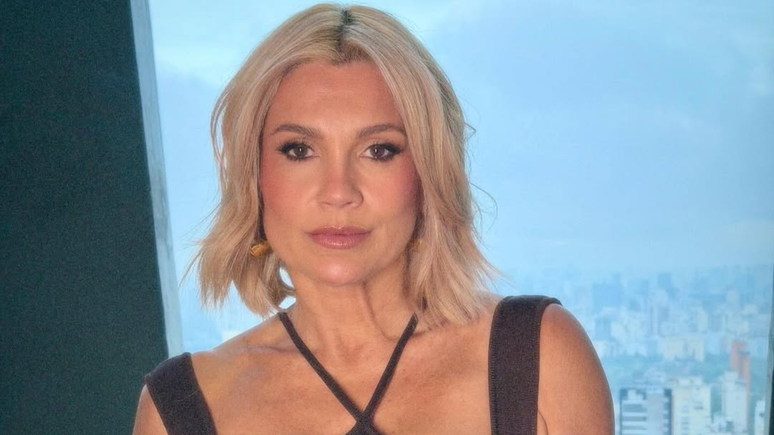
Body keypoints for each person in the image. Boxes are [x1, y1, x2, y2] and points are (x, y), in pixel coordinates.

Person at [132, 4, 613, 434]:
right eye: (299, 150)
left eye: (379, 150)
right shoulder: (180, 407)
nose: (339, 192)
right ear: (253, 176)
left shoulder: (537, 356)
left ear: (427, 174)